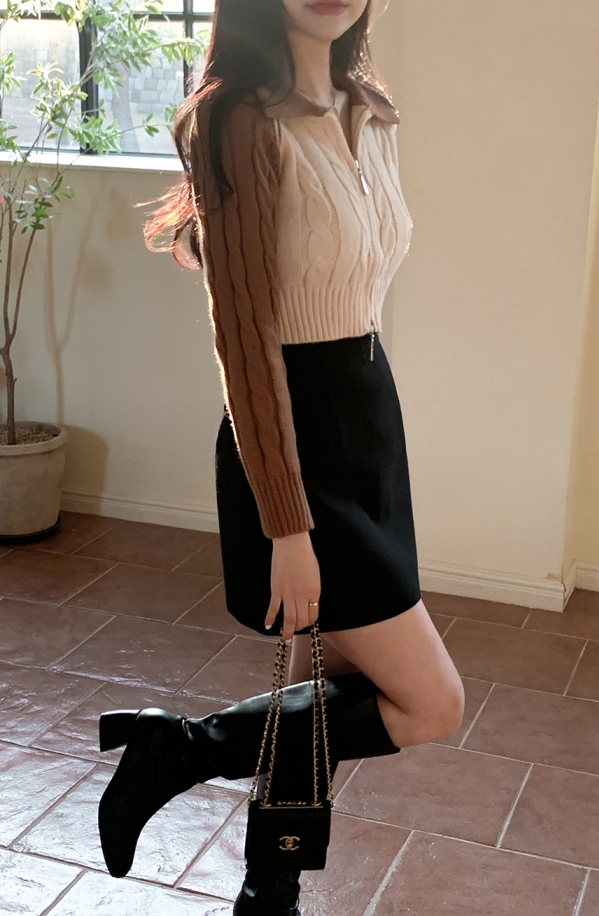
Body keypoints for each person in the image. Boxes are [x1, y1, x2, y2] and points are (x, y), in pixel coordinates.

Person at [98, 1, 465, 913]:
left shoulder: (367, 108)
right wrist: (287, 526)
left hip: (367, 416)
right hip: (293, 436)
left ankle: (269, 891)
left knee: (323, 691)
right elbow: (245, 339)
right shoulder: (236, 119)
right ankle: (182, 749)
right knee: (431, 702)